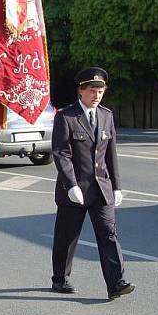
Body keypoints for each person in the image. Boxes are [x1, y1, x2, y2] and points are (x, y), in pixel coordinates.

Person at [50, 67, 134, 300]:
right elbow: (61, 154)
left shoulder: (106, 116)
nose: (97, 95)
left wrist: (117, 185)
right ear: (81, 91)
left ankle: (116, 283)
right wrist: (71, 185)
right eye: (92, 90)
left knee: (109, 234)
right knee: (67, 236)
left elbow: (111, 154)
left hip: (101, 189)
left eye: (101, 90)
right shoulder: (66, 117)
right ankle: (60, 278)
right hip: (75, 190)